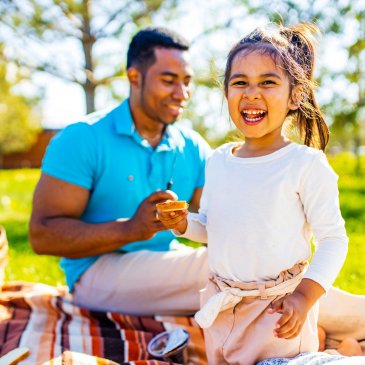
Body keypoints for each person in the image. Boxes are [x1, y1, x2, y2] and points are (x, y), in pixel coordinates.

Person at [157, 23, 348, 364]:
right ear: (227, 93)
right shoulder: (218, 161)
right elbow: (214, 229)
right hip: (221, 304)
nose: (251, 93)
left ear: (295, 96)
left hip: (279, 313)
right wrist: (183, 223)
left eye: (268, 83)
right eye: (240, 82)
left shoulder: (304, 164)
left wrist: (304, 298)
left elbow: (334, 240)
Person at [29, 27, 211, 315]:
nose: (182, 93)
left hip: (168, 261)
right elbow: (42, 236)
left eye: (187, 82)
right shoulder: (82, 138)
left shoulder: (193, 147)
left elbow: (215, 220)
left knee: (248, 266)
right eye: (169, 80)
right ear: (134, 77)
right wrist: (130, 228)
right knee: (227, 272)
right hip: (96, 271)